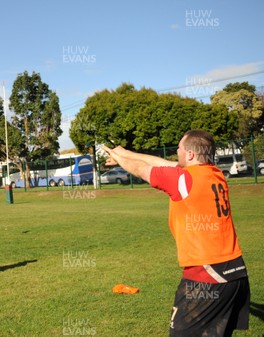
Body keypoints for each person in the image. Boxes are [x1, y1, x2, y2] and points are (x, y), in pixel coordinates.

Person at [102, 130, 249, 336]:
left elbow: (143, 170)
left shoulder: (182, 179)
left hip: (206, 275)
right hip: (236, 273)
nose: (176, 152)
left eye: (179, 148)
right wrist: (126, 152)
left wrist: (119, 158)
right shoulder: (214, 173)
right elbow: (162, 163)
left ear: (189, 155)